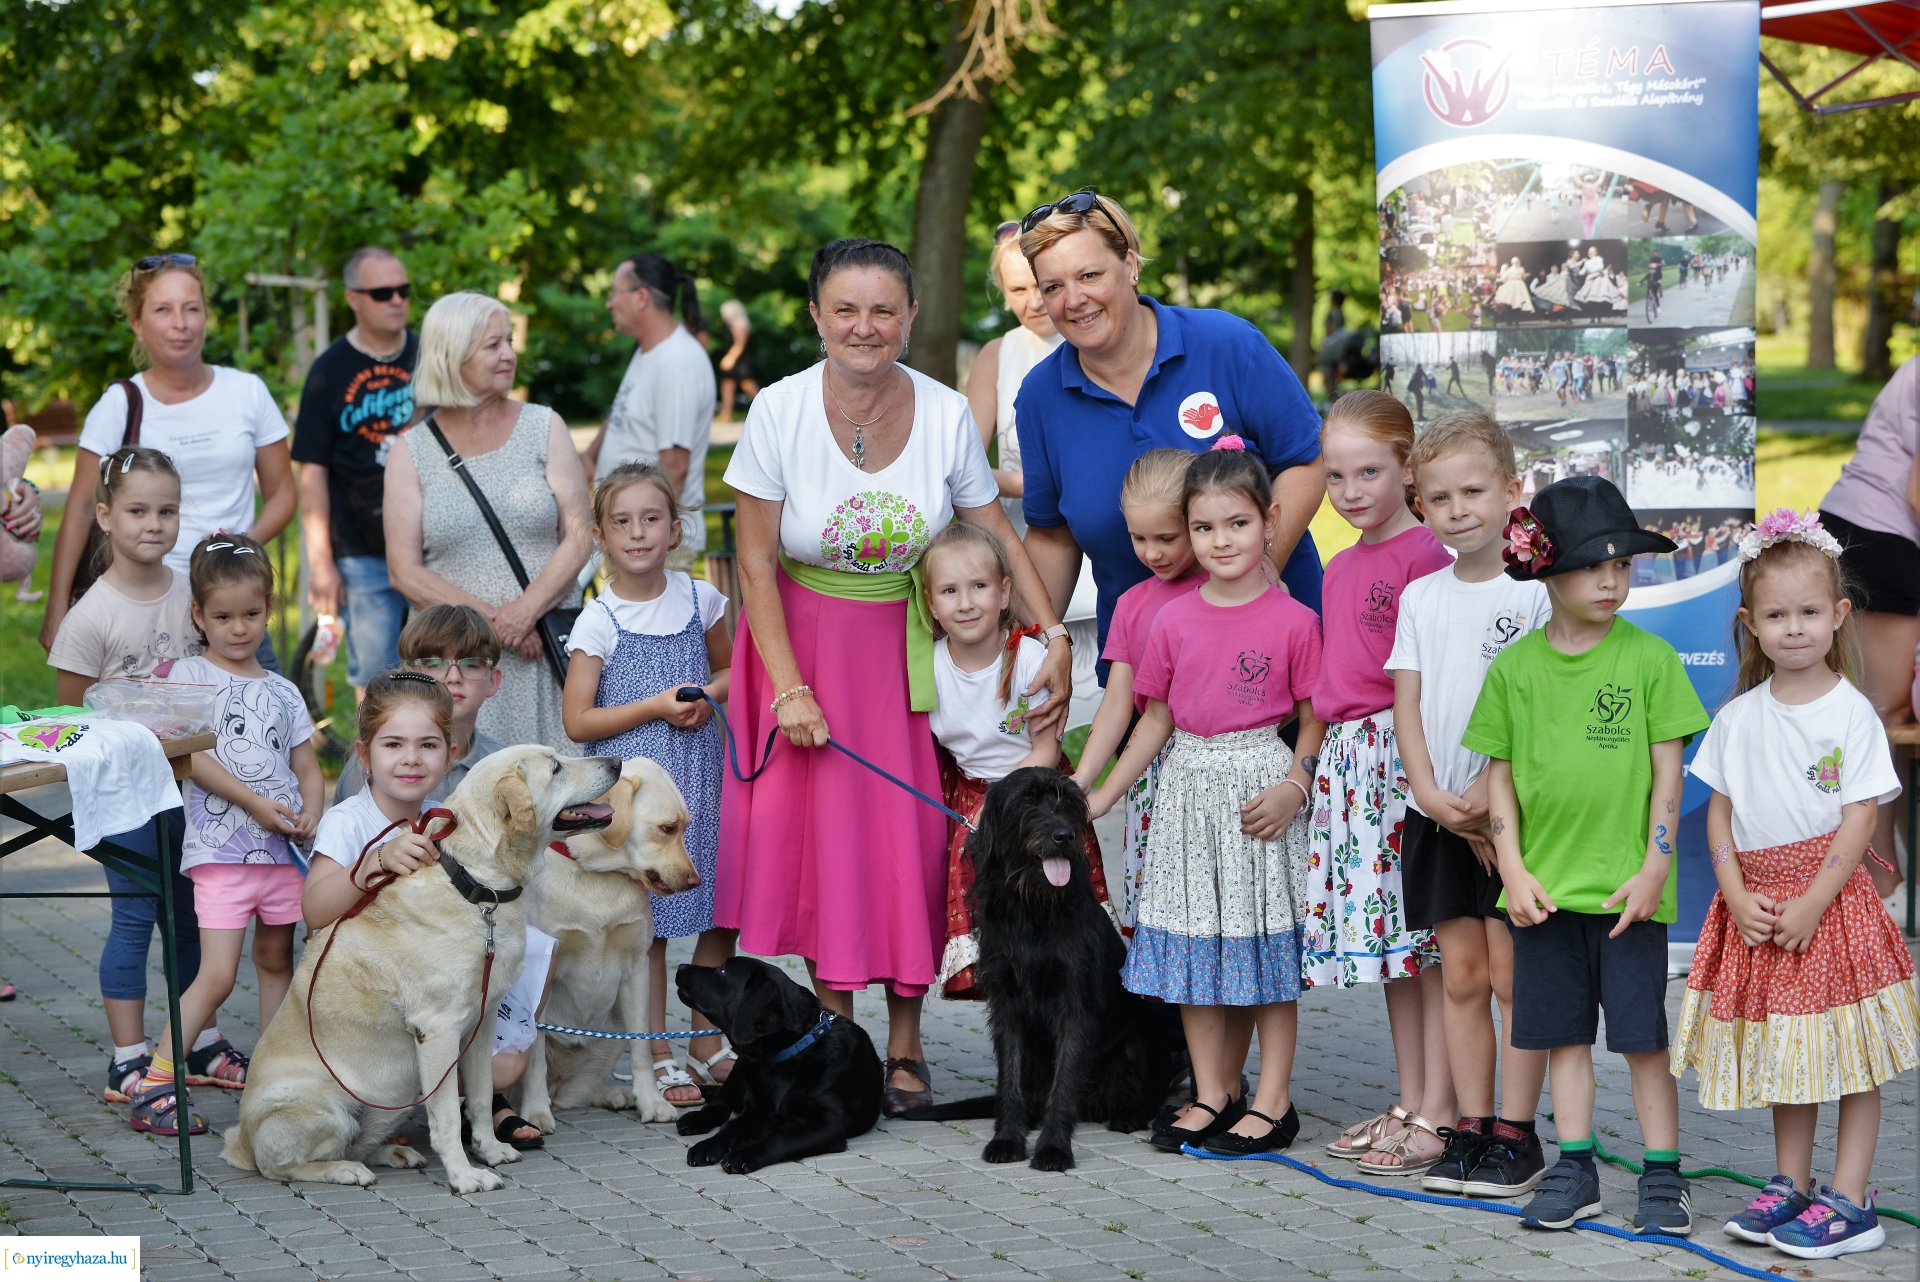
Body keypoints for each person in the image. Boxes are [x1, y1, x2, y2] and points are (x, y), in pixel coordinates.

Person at [716, 238, 1072, 1116]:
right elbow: (754, 563)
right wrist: (789, 687)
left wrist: (1052, 633)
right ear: (817, 316)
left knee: (908, 843)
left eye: (883, 310)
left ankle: (907, 1044)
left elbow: (994, 528)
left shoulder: (946, 411)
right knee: (823, 850)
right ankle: (839, 1039)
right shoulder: (778, 409)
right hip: (801, 648)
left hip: (911, 651)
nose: (864, 327)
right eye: (845, 309)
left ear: (910, 316)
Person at [1464, 475, 1710, 1235]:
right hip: (1542, 898)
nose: (1611, 581)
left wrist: (1656, 866)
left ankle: (1663, 1176)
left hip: (1627, 896)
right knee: (1563, 1040)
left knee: (1642, 1042)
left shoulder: (1650, 660)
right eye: (1592, 565)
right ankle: (1575, 1168)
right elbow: (1498, 781)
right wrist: (1512, 870)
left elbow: (1668, 774)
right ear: (1546, 571)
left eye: (1623, 565)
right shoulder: (1514, 672)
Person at [1672, 511, 1917, 1259]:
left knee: (1853, 1057)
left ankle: (1851, 1199)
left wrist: (1813, 902)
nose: (1795, 629)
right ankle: (1791, 1183)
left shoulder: (1851, 713)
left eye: (1809, 612)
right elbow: (1719, 813)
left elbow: (1860, 815)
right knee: (1791, 1053)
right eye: (1777, 616)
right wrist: (1734, 891)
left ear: (1838, 614)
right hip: (1762, 906)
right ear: (1751, 624)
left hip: (1829, 908)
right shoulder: (1738, 717)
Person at [1087, 440, 1324, 1156]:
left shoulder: (1294, 620)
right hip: (1187, 792)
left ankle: (1274, 1101)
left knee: (1264, 952)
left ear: (1269, 523)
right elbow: (1154, 720)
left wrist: (1296, 785)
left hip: (1261, 793)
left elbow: (1314, 716)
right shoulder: (1170, 620)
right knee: (1195, 948)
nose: (1220, 541)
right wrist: (1101, 795)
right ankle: (1214, 1091)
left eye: (1237, 524)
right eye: (1204, 528)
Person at [1012, 188, 1324, 651]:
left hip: (1276, 647)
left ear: (1131, 265)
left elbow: (1307, 461)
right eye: (1053, 287)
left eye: (1089, 275)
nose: (1073, 299)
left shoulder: (1226, 343)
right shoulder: (1041, 398)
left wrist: (1261, 567)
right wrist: (1030, 645)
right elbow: (1053, 536)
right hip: (1143, 662)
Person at [1388, 413, 1551, 1199]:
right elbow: (1408, 706)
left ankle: (1518, 1134)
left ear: (1512, 490)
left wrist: (1490, 795)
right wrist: (1427, 792)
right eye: (1440, 498)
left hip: (1509, 819)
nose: (1458, 511)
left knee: (1511, 977)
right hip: (1439, 816)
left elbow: (1540, 707)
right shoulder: (1422, 597)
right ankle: (1471, 1125)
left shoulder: (1538, 594)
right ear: (1420, 504)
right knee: (1459, 977)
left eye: (1474, 492)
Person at [44, 446, 224, 1110]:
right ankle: (127, 1059)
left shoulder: (192, 596)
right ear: (104, 516)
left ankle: (196, 1041)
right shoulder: (90, 617)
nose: (154, 524)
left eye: (167, 511)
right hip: (124, 798)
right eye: (138, 511)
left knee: (192, 914)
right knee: (134, 917)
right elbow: (73, 723)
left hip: (194, 790)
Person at [307, 670, 554, 1150]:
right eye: (393, 745)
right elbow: (314, 911)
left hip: (437, 987)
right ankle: (423, 1108)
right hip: (368, 996)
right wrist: (373, 863)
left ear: (451, 754)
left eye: (428, 745)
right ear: (365, 756)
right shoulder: (348, 821)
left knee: (506, 1060)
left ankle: (477, 1107)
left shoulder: (445, 818)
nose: (411, 758)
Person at [1304, 392, 1454, 1175]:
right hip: (1352, 767)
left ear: (1408, 467)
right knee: (1394, 947)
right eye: (1336, 476)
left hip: (1404, 761)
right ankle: (1410, 1098)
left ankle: (1442, 1109)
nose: (1351, 491)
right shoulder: (1339, 566)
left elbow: (1433, 680)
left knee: (1426, 943)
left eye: (1369, 472)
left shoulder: (1427, 557)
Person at [131, 533, 322, 1136]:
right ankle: (156, 1084)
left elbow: (307, 766)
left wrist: (312, 812)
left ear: (269, 610)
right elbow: (189, 759)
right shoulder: (188, 678)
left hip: (283, 856)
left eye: (251, 614)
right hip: (222, 855)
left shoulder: (284, 691)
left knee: (277, 960)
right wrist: (254, 803)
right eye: (222, 616)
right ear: (198, 615)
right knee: (215, 975)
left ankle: (274, 1081)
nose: (239, 628)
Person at [562, 463, 736, 1105]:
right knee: (651, 923)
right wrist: (655, 708)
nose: (638, 533)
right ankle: (656, 1051)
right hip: (635, 799)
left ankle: (706, 1039)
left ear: (675, 528)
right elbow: (578, 720)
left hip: (701, 782)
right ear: (602, 536)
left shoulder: (700, 599)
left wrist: (706, 696)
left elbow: (732, 671)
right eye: (622, 522)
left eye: (651, 519)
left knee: (720, 909)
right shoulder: (600, 619)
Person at [41, 255, 295, 667]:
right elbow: (82, 508)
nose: (180, 323)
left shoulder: (247, 392)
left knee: (253, 706)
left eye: (191, 308)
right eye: (163, 310)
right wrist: (57, 609)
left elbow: (283, 493)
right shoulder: (118, 404)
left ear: (206, 317)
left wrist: (234, 551)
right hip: (144, 605)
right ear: (138, 324)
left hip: (231, 602)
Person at [384, 291, 592, 751]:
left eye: (510, 341)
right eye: (493, 345)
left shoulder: (545, 426)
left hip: (547, 651)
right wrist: (493, 627)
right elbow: (404, 571)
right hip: (458, 667)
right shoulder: (411, 451)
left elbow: (580, 533)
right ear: (452, 355)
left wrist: (526, 611)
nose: (509, 354)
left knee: (559, 782)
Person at [924, 523, 1099, 998]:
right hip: (970, 795)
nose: (965, 603)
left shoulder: (1028, 658)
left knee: (1057, 918)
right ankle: (1001, 988)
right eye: (950, 591)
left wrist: (999, 803)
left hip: (1035, 792)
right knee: (993, 911)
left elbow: (1045, 749)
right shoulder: (929, 666)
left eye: (979, 586)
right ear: (932, 604)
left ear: (1004, 593)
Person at [1071, 450, 1202, 931]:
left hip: (1223, 769)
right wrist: (1084, 778)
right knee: (1164, 914)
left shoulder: (1235, 591)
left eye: (1167, 538)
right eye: (1138, 538)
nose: (1152, 553)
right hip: (1153, 771)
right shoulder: (1131, 604)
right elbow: (1118, 701)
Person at [291, 247, 419, 697]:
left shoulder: (428, 356)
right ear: (353, 299)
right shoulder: (329, 371)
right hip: (361, 550)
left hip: (431, 546)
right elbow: (311, 472)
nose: (397, 300)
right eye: (382, 293)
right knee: (377, 682)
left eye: (403, 290)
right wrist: (321, 564)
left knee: (441, 669)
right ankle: (378, 748)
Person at [1819, 354, 1920, 898]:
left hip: (1869, 531)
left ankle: (1900, 880)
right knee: (1884, 719)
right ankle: (1883, 882)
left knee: (1893, 724)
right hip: (1879, 538)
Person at [582, 254, 717, 574]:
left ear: (641, 297)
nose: (609, 304)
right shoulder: (649, 351)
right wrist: (590, 455)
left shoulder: (677, 363)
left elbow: (675, 467)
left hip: (648, 547)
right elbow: (624, 410)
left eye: (615, 293)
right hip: (631, 538)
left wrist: (643, 544)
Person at [331, 604, 508, 804]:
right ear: (409, 673)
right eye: (434, 664)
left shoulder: (505, 765)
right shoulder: (373, 763)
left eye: (470, 664)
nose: (454, 677)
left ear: (492, 681)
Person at [963, 225, 1063, 531]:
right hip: (1020, 531)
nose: (1034, 302)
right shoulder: (996, 354)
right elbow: (962, 464)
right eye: (1018, 290)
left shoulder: (1094, 342)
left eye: (1042, 286)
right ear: (1004, 294)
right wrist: (1028, 484)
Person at [714, 299, 761, 424]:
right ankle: (726, 414)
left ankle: (765, 408)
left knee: (748, 385)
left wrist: (730, 358)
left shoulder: (740, 324)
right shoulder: (732, 325)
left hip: (740, 361)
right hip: (736, 360)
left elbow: (740, 344)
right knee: (727, 385)